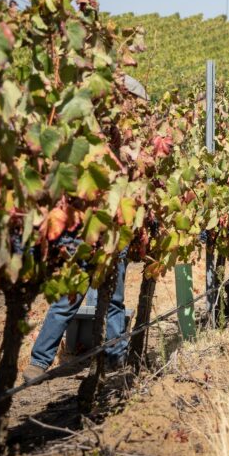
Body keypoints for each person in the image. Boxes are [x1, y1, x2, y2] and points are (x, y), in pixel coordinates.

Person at [21, 74, 148, 383]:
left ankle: (113, 360)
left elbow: (134, 176)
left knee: (111, 296)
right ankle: (40, 363)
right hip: (85, 224)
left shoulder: (125, 138)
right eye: (131, 103)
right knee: (73, 297)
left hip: (114, 223)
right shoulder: (85, 134)